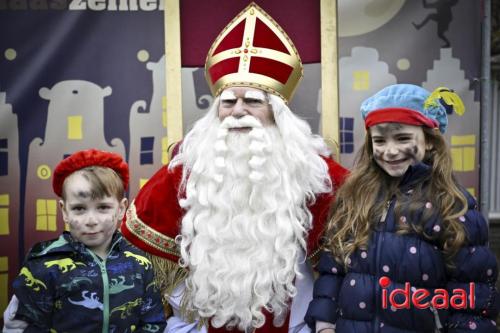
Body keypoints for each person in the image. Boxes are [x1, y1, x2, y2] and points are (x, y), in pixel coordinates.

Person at [120, 3, 348, 333]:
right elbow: (136, 250)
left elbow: (359, 222)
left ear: (276, 112)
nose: (238, 111)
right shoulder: (188, 167)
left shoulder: (308, 167)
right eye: (228, 102)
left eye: (253, 101)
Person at [305, 84, 499, 332]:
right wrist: (324, 324)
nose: (390, 150)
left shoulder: (453, 205)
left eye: (403, 138)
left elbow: (473, 295)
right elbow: (333, 268)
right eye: (380, 141)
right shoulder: (354, 197)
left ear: (429, 141)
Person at [4, 149, 166, 333]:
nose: (91, 220)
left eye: (103, 207)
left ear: (121, 209)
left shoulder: (139, 262)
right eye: (79, 208)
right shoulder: (44, 263)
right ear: (64, 211)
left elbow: (153, 322)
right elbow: (25, 327)